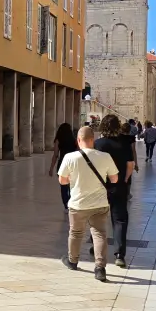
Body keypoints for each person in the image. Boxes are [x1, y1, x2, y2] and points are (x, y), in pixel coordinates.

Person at [58, 125, 119, 282]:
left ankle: (73, 260)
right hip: (100, 203)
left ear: (78, 140)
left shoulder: (70, 157)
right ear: (94, 140)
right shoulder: (105, 156)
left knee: (76, 233)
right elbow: (115, 179)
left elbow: (62, 181)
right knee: (99, 234)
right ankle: (100, 268)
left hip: (78, 204)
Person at [94, 115, 136, 269]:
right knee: (119, 220)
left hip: (100, 187)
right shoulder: (124, 143)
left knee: (98, 218)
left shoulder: (97, 144)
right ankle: (120, 254)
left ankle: (96, 246)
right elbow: (130, 164)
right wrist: (124, 179)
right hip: (119, 186)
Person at [49, 123, 78, 211]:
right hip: (73, 164)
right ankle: (72, 203)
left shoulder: (58, 140)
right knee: (73, 185)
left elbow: (55, 155)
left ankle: (66, 204)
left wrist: (51, 168)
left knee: (63, 186)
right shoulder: (74, 140)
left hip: (62, 164)